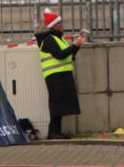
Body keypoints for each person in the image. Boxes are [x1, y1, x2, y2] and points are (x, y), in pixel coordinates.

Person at [35, 9, 86, 139]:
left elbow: (69, 56)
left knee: (61, 104)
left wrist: (77, 45)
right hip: (54, 76)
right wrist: (74, 45)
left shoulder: (59, 38)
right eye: (60, 22)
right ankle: (53, 132)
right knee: (57, 104)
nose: (62, 24)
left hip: (62, 75)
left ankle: (56, 131)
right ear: (54, 25)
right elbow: (59, 55)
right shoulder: (49, 39)